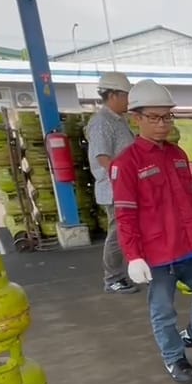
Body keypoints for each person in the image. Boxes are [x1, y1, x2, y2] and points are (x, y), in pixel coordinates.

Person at [112, 79, 192, 384]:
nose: (163, 124)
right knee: (163, 310)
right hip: (158, 254)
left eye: (167, 117)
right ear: (135, 118)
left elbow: (191, 199)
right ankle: (174, 357)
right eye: (154, 117)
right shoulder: (126, 164)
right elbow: (125, 215)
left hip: (191, 247)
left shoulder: (177, 154)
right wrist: (134, 256)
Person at [85, 71, 137, 295]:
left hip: (128, 187)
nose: (130, 100)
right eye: (127, 95)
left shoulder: (119, 120)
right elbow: (102, 157)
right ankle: (113, 278)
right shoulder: (101, 122)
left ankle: (139, 269)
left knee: (133, 231)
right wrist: (124, 179)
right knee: (118, 235)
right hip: (115, 190)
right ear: (113, 94)